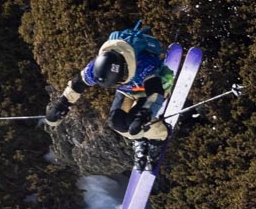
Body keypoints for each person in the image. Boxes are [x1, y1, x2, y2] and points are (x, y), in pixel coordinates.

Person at [44, 23, 175, 169]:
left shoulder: (143, 65)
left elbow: (155, 93)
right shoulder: (98, 66)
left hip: (152, 87)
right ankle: (139, 137)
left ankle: (160, 136)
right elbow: (78, 84)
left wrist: (145, 115)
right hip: (128, 90)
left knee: (135, 122)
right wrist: (62, 104)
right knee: (117, 122)